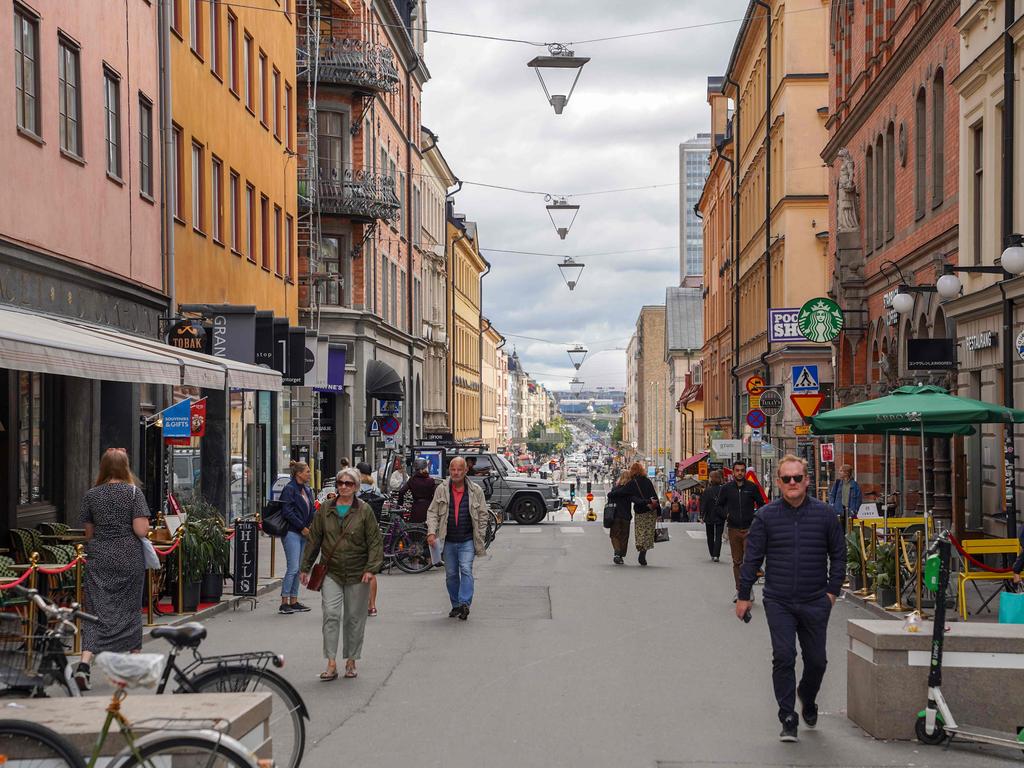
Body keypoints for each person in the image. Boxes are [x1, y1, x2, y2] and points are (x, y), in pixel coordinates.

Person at [735, 455, 845, 743]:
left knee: (817, 661)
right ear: (779, 482)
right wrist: (744, 595)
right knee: (784, 657)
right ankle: (787, 716)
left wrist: (832, 592)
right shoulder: (767, 516)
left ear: (807, 480)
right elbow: (752, 558)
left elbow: (839, 554)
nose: (793, 483)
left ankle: (807, 698)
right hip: (779, 600)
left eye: (798, 478)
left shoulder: (824, 515)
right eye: (787, 479)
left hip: (815, 600)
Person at [73, 448, 152, 691]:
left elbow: (89, 533)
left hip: (100, 558)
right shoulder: (133, 493)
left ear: (104, 467)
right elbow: (141, 530)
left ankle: (85, 663)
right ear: (125, 467)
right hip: (129, 556)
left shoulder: (91, 495)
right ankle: (134, 663)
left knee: (96, 610)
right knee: (130, 607)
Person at [300, 468, 383, 681]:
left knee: (354, 618)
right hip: (332, 571)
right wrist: (305, 567)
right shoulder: (325, 509)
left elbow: (374, 541)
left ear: (356, 487)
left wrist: (370, 569)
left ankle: (351, 661)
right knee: (331, 615)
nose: (343, 486)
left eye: (348, 483)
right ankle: (331, 663)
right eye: (340, 483)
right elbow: (314, 540)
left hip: (357, 571)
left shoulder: (364, 511)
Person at [425, 456, 489, 620]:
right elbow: (432, 512)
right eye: (453, 469)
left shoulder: (475, 490)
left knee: (466, 570)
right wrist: (431, 532)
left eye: (459, 469)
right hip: (448, 540)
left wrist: (479, 536)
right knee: (451, 575)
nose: (456, 473)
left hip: (467, 539)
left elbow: (483, 515)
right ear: (449, 471)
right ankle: (455, 605)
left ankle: (464, 603)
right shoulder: (441, 489)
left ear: (466, 470)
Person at [717, 459, 763, 599]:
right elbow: (718, 506)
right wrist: (727, 515)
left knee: (749, 561)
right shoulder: (726, 488)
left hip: (750, 529)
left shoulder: (752, 487)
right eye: (737, 470)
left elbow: (762, 504)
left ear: (745, 472)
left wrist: (757, 518)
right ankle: (740, 590)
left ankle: (747, 588)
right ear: (733, 472)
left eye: (742, 471)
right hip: (734, 529)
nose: (740, 473)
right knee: (737, 562)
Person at [279, 461, 315, 615]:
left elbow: (311, 509)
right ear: (298, 474)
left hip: (304, 532)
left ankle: (294, 600)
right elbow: (287, 512)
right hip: (292, 532)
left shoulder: (307, 490)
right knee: (293, 568)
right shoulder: (289, 489)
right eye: (307, 471)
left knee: (299, 568)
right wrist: (302, 527)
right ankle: (284, 602)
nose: (309, 474)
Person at [627, 462, 659, 567]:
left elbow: (629, 496)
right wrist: (658, 511)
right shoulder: (647, 481)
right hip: (651, 511)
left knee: (640, 530)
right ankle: (643, 552)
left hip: (640, 510)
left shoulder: (632, 483)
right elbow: (654, 496)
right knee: (648, 532)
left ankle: (640, 546)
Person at [606, 470, 636, 564]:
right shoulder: (630, 491)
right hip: (626, 516)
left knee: (614, 535)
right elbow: (635, 500)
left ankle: (617, 552)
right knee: (624, 537)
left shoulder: (615, 489)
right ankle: (621, 554)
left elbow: (610, 497)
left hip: (615, 515)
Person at [398, 459, 438, 525]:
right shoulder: (430, 481)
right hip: (428, 508)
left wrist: (400, 505)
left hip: (416, 508)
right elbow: (436, 495)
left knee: (415, 530)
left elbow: (401, 491)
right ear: (425, 468)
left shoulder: (412, 480)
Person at [700, 470, 726, 562]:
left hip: (709, 516)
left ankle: (712, 553)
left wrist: (702, 515)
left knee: (710, 536)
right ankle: (716, 555)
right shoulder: (723, 489)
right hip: (720, 515)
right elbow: (726, 503)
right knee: (718, 536)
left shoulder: (707, 491)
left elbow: (704, 504)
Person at [827, 464, 862, 530]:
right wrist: (832, 506)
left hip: (850, 512)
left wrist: (854, 510)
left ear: (846, 473)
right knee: (839, 530)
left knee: (850, 531)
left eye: (841, 471)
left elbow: (859, 499)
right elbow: (832, 495)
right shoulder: (837, 483)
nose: (839, 472)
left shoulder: (854, 485)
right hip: (838, 511)